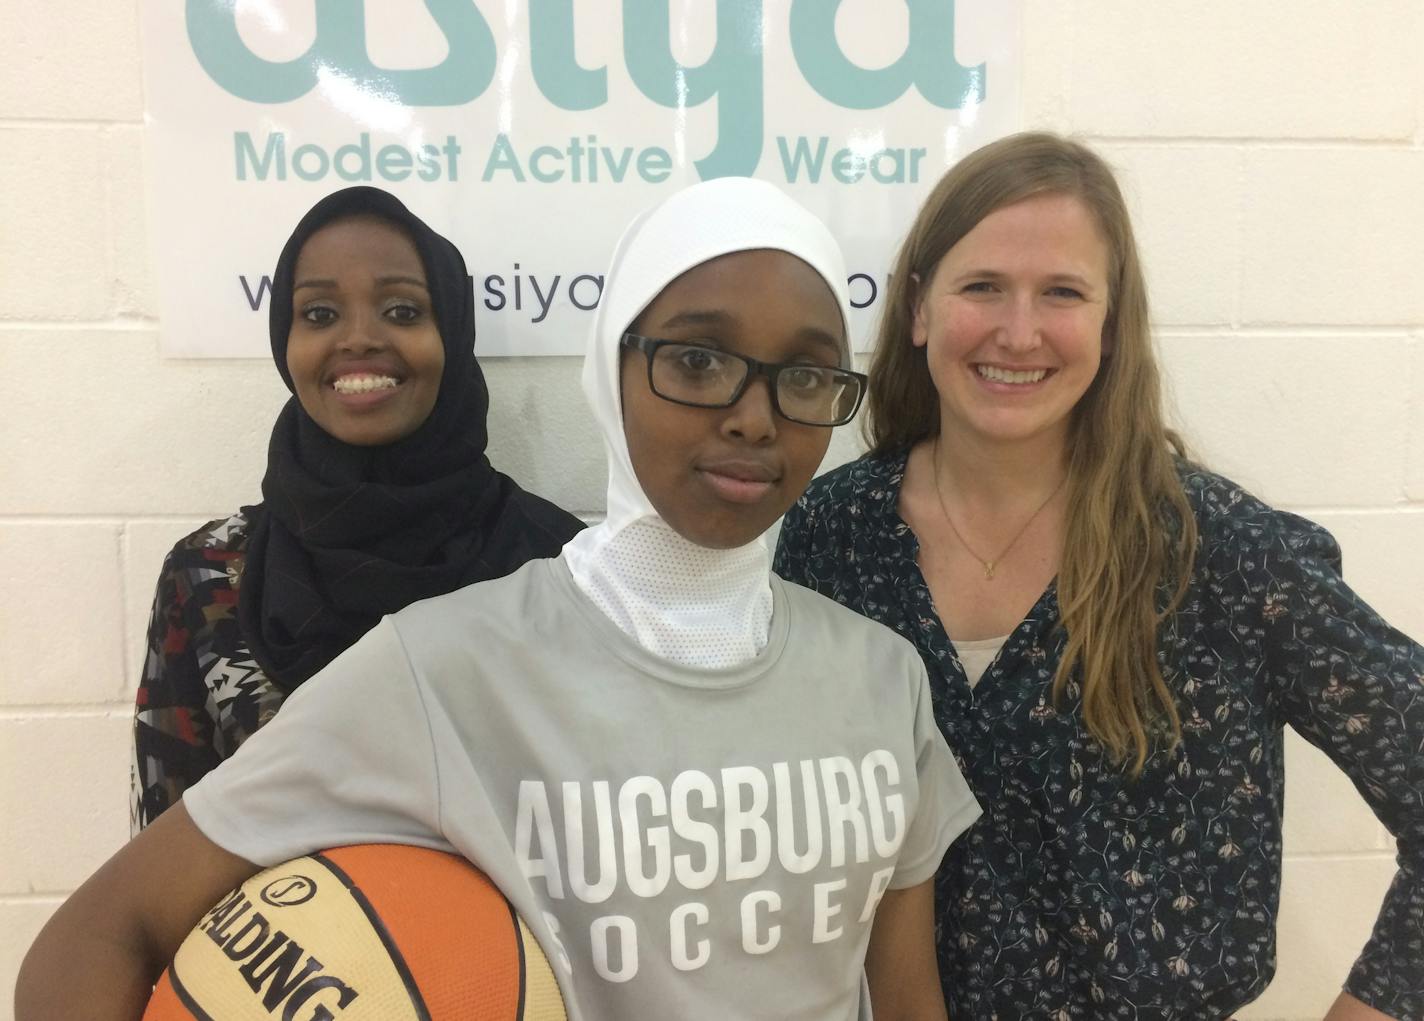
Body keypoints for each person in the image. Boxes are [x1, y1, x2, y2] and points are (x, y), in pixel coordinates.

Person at [18, 178, 981, 1021]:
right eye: (695, 359)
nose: (753, 413)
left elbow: (902, 999)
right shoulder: (438, 668)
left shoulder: (883, 679)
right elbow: (101, 935)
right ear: (612, 366)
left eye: (807, 374)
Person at [774, 132, 1424, 1020]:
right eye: (983, 286)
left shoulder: (1222, 553)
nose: (1018, 330)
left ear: (1112, 325)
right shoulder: (830, 536)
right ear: (920, 308)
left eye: (1063, 293)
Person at [131, 186, 583, 832]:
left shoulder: (557, 563)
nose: (360, 338)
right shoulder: (206, 577)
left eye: (402, 310)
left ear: (451, 331)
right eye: (318, 314)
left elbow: (599, 822)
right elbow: (158, 842)